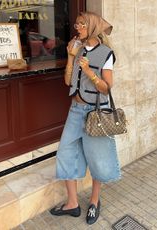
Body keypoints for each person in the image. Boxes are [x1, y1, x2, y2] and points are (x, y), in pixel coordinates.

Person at [50, 11, 121, 225]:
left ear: (91, 27)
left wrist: (90, 72)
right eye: (77, 24)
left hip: (96, 112)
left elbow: (106, 88)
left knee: (98, 157)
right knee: (65, 152)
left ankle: (94, 201)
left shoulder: (106, 53)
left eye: (81, 24)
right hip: (76, 110)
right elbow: (67, 81)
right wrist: (71, 57)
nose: (77, 28)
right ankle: (72, 203)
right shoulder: (77, 48)